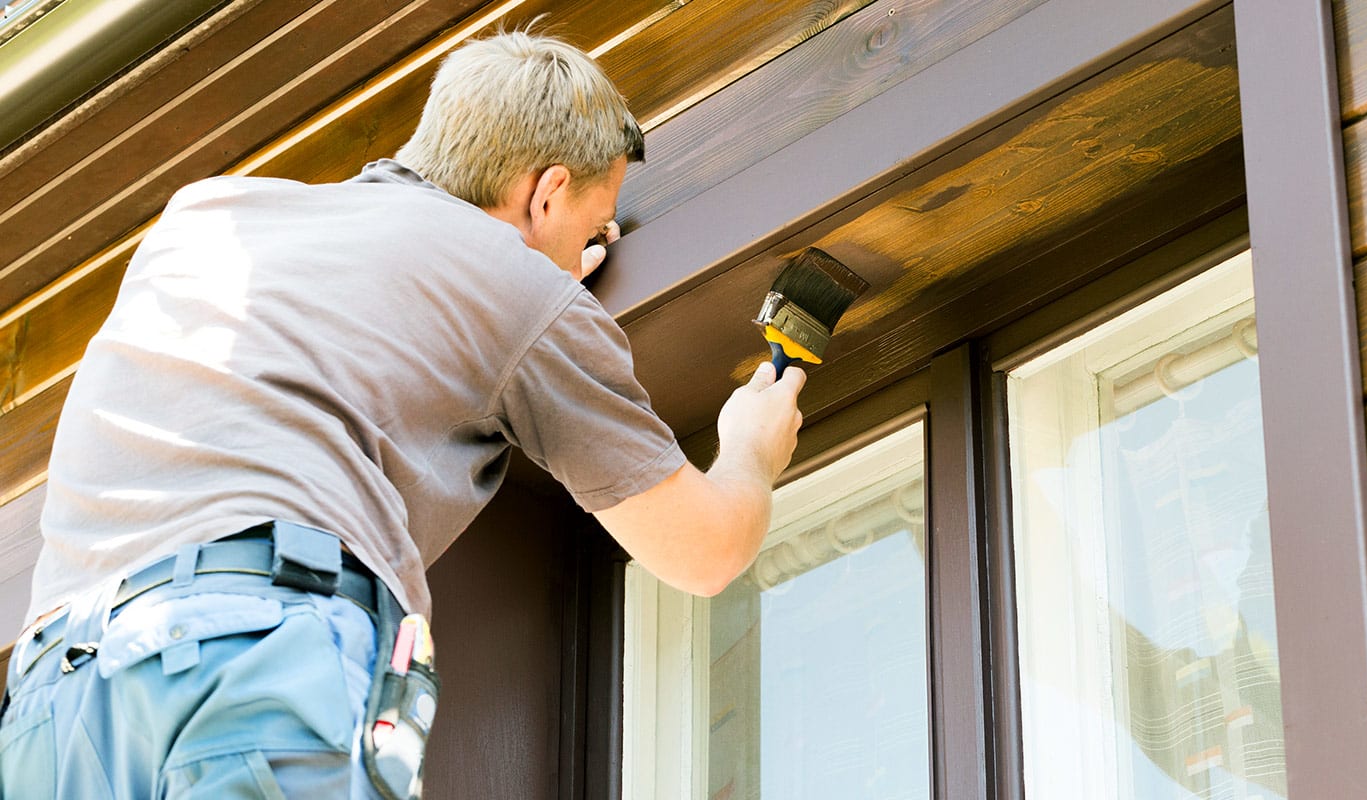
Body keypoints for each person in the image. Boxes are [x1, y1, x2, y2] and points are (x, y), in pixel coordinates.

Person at [0, 29, 805, 798]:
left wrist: (528, 275)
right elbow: (704, 553)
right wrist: (749, 455)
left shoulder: (207, 217)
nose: (586, 251)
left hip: (54, 698)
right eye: (593, 226)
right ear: (547, 191)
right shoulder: (518, 292)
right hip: (251, 653)